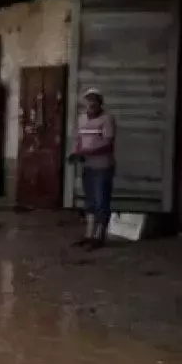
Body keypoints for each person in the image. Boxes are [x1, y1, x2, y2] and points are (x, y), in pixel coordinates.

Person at [69, 87, 116, 248]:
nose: (91, 103)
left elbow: (107, 143)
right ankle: (89, 235)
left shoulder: (107, 119)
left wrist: (87, 151)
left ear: (100, 102)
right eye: (89, 100)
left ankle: (99, 237)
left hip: (102, 166)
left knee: (101, 201)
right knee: (90, 201)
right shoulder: (82, 118)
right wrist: (76, 152)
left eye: (94, 100)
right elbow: (77, 139)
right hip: (88, 166)